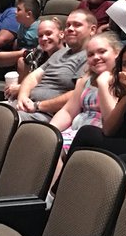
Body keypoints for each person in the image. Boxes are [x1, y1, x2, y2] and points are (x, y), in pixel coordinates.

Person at [49, 31, 120, 173]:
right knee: (44, 143)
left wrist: (103, 83)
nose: (96, 58)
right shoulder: (84, 80)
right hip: (74, 132)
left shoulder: (121, 81)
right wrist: (50, 131)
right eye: (91, 54)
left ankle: (53, 194)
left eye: (102, 52)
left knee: (54, 152)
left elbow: (111, 119)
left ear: (116, 53)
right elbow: (68, 111)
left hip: (98, 135)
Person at [13, 10, 96, 121]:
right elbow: (33, 77)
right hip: (27, 106)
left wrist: (38, 106)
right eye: (68, 25)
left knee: (0, 119)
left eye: (77, 25)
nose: (70, 29)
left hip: (47, 114)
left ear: (92, 30)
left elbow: (78, 94)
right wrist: (22, 97)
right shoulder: (60, 53)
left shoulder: (92, 57)